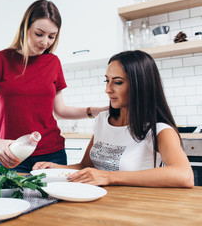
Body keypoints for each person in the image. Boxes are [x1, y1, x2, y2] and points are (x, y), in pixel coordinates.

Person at [0, 0, 108, 173]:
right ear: (25, 27)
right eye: (39, 34)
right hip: (12, 154)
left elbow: (60, 110)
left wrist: (95, 111)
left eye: (52, 36)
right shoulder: (0, 60)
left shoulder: (53, 62)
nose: (45, 42)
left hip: (53, 154)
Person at [33, 50, 194, 188]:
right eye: (107, 80)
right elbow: (86, 167)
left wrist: (109, 177)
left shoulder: (160, 130)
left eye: (117, 82)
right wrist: (55, 167)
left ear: (140, 86)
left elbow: (184, 175)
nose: (107, 89)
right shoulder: (103, 120)